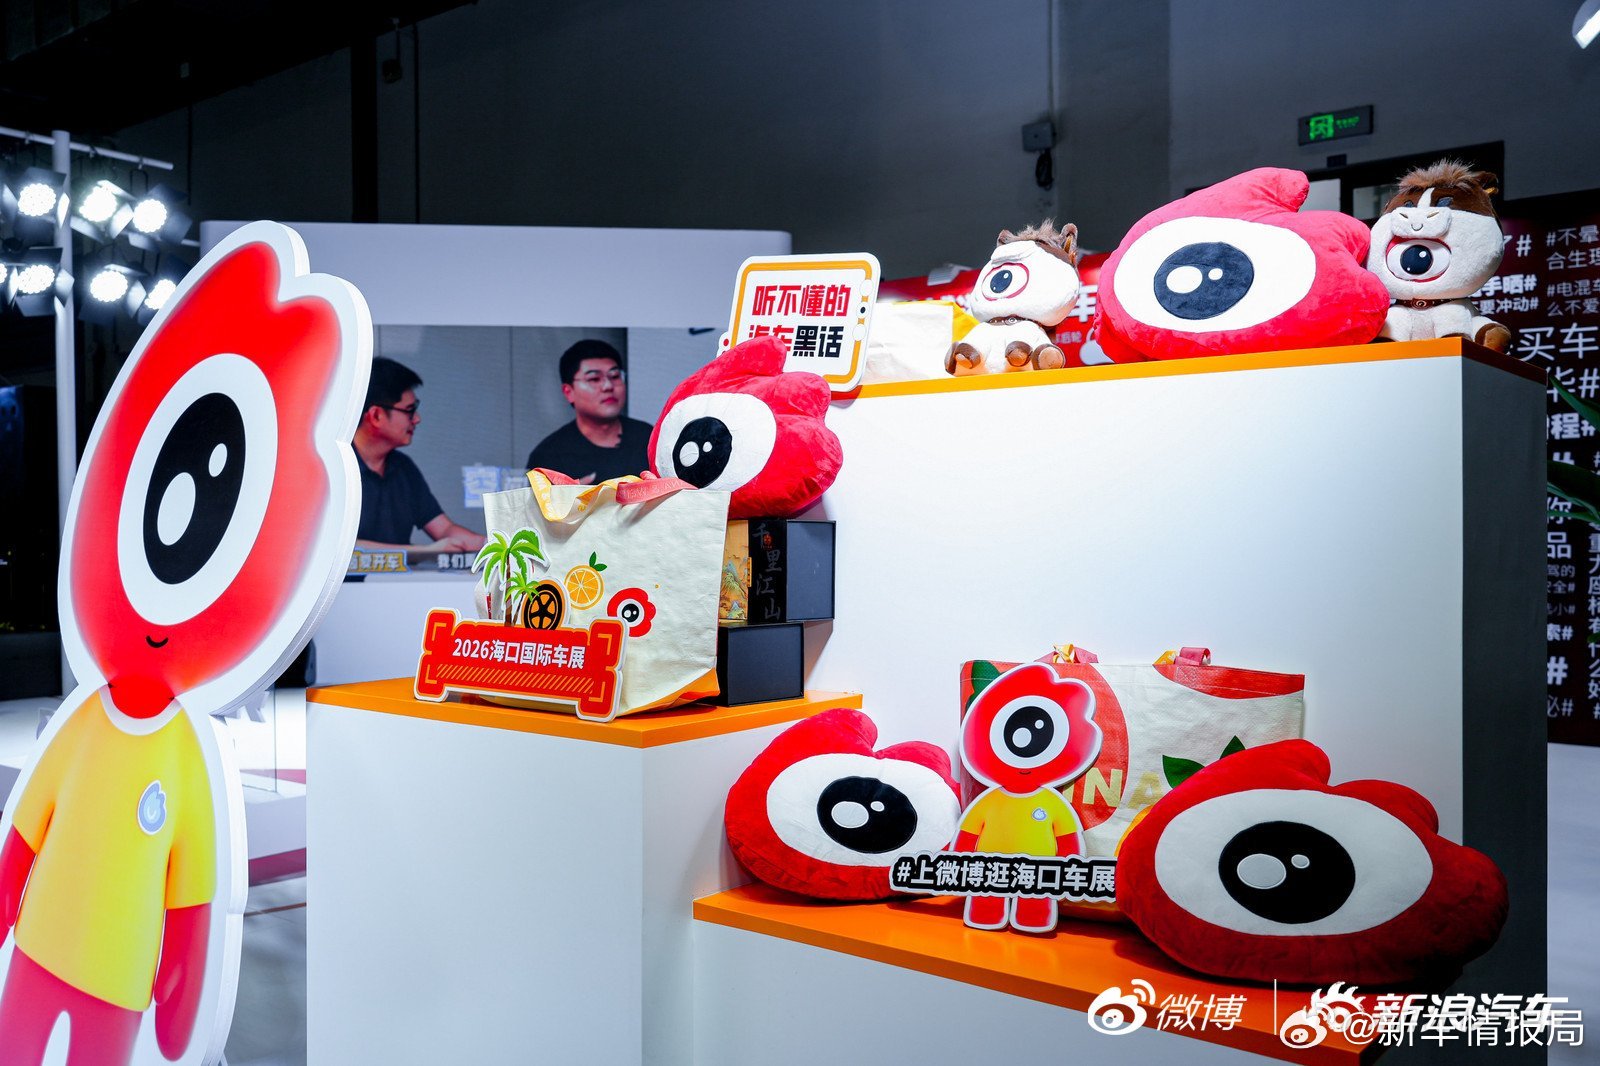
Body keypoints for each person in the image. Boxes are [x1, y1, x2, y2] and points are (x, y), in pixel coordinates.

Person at [352, 357, 485, 555]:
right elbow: (339, 547)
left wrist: (489, 545)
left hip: (396, 576)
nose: (417, 419)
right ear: (376, 415)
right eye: (409, 411)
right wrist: (423, 551)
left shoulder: (403, 467)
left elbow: (444, 529)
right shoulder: (334, 468)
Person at [524, 339, 652, 483]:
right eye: (594, 379)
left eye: (615, 376)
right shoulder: (548, 457)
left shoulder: (648, 438)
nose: (608, 386)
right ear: (568, 392)